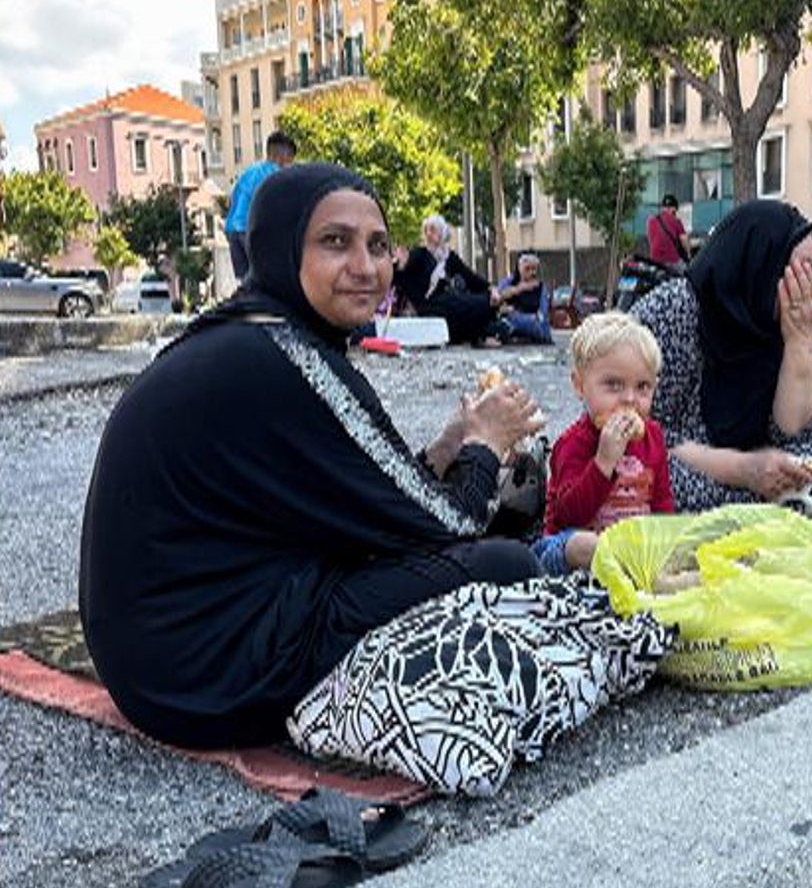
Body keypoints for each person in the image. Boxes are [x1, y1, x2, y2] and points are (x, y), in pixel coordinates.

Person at [78, 164, 551, 749]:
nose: (366, 267)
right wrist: (488, 444)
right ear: (280, 247)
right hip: (210, 680)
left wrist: (450, 444)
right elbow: (450, 525)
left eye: (378, 246)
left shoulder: (254, 337)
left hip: (160, 668)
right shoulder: (287, 359)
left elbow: (368, 499)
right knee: (507, 566)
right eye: (335, 242)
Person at [631, 200, 812, 523]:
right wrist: (746, 470)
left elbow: (801, 439)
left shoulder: (770, 322)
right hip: (689, 465)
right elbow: (640, 437)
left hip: (757, 471)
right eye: (801, 268)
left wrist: (800, 343)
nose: (811, 285)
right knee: (659, 477)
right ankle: (798, 512)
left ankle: (789, 511)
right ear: (761, 263)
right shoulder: (674, 310)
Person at [536, 312, 674, 574]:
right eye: (614, 385)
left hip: (633, 550)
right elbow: (568, 516)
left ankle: (637, 570)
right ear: (580, 386)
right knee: (583, 545)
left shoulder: (653, 438)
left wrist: (664, 541)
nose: (630, 399)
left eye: (642, 387)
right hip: (569, 549)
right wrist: (603, 462)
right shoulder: (573, 444)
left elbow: (662, 502)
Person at [393, 215, 507, 345]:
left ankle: (480, 336)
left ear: (442, 233)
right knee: (467, 304)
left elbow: (470, 277)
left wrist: (491, 289)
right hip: (429, 305)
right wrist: (402, 264)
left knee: (485, 299)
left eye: (432, 230)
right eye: (426, 231)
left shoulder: (449, 257)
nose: (428, 234)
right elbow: (407, 265)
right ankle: (481, 336)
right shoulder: (420, 254)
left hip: (446, 301)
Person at [224, 132, 297, 280]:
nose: (291, 165)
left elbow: (232, 202)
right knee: (266, 281)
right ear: (282, 157)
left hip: (233, 233)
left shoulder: (248, 173)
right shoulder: (277, 175)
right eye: (291, 160)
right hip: (253, 233)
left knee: (245, 284)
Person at [496, 253, 553, 343]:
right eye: (527, 269)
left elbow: (542, 314)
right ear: (519, 268)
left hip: (531, 323)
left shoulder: (541, 288)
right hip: (510, 318)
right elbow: (497, 299)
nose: (531, 273)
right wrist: (519, 289)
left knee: (535, 325)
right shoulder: (508, 282)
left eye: (533, 269)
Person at [646, 194, 691, 271]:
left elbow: (651, 240)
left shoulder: (650, 221)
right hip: (671, 260)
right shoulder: (676, 221)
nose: (675, 213)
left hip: (654, 261)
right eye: (675, 211)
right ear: (673, 208)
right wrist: (689, 254)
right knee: (689, 272)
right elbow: (684, 241)